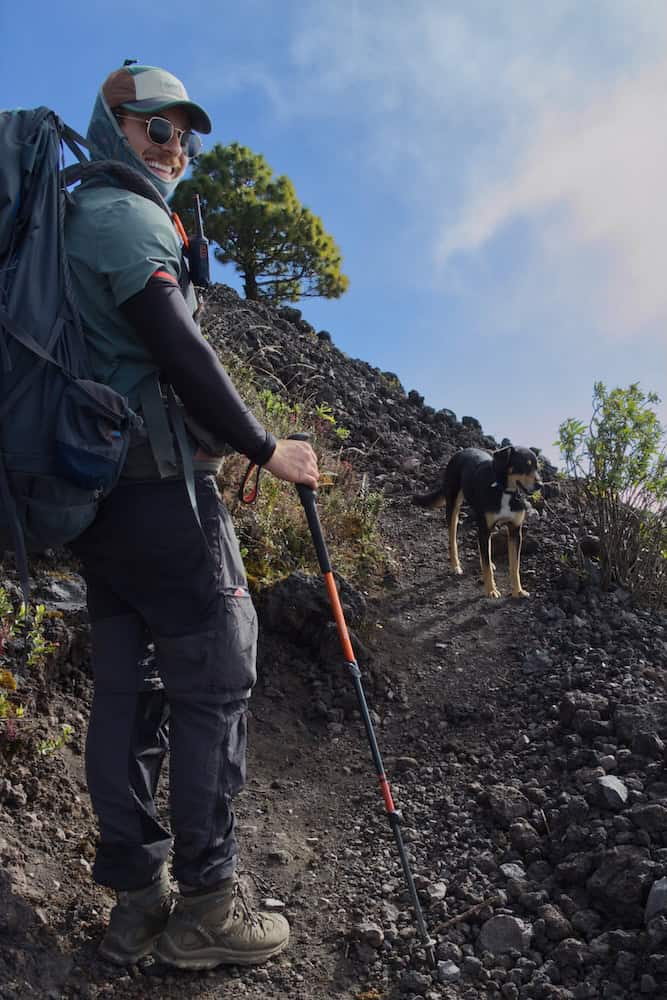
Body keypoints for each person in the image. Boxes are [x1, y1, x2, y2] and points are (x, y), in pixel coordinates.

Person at [64, 62, 319, 969]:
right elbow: (177, 348)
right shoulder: (122, 215)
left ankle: (138, 905)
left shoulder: (67, 220)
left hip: (97, 505)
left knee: (125, 696)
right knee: (214, 683)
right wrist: (264, 447)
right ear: (113, 127)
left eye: (186, 135)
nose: (177, 149)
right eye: (158, 130)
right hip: (161, 498)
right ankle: (209, 905)